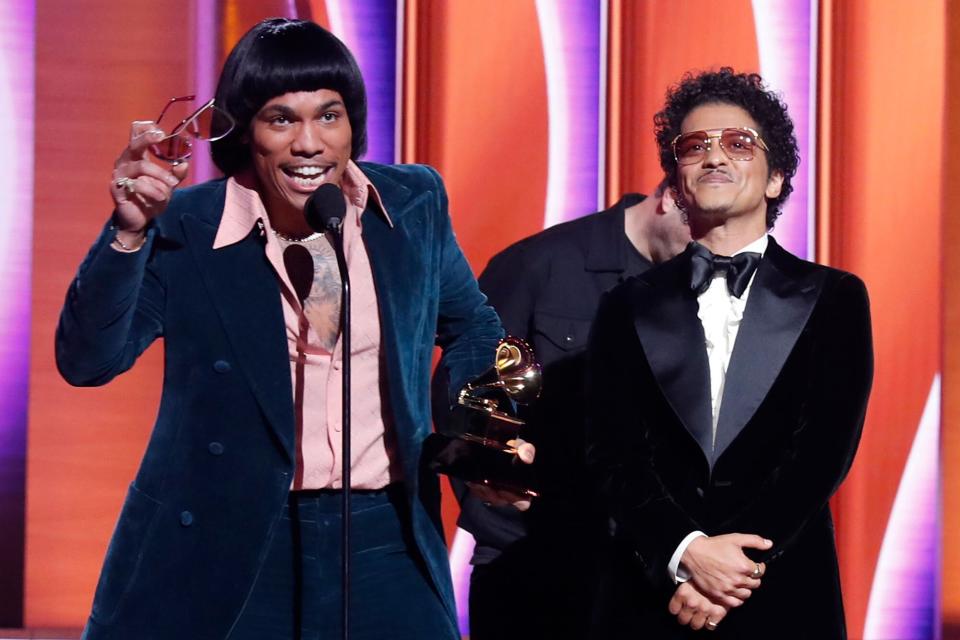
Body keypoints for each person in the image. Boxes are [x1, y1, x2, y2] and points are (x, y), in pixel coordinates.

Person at [56, 18, 531, 640]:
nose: (310, 143)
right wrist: (128, 233)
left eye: (329, 116)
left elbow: (471, 325)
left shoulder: (412, 203)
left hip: (383, 532)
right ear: (245, 132)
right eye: (281, 119)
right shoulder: (188, 227)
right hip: (228, 538)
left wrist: (478, 444)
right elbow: (89, 360)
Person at [585, 68, 873, 638]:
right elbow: (613, 454)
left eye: (739, 143)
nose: (715, 157)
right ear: (677, 180)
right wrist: (685, 552)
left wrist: (732, 573)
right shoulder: (625, 305)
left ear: (776, 178)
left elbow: (820, 455)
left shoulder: (835, 297)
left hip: (783, 589)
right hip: (655, 595)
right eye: (695, 146)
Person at [433, 185, 689, 639]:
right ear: (671, 196)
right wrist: (501, 496)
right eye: (702, 231)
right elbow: (463, 394)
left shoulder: (703, 285)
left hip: (654, 574)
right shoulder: (541, 265)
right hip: (532, 568)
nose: (711, 252)